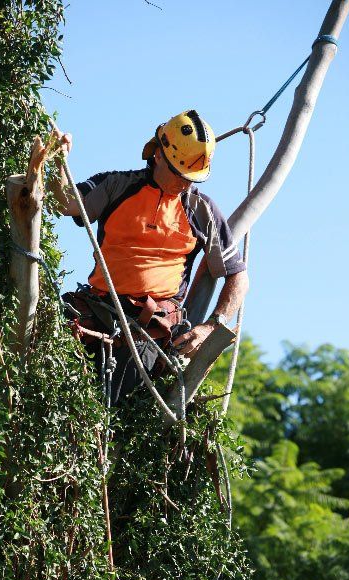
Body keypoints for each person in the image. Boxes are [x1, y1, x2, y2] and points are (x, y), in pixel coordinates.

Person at [50, 109, 249, 402]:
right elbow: (64, 201)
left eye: (192, 177)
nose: (186, 183)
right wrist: (57, 162)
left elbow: (238, 277)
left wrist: (210, 327)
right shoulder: (116, 186)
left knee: (109, 405)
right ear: (158, 155)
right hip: (95, 310)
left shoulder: (201, 210)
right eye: (179, 173)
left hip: (147, 327)